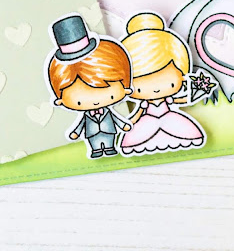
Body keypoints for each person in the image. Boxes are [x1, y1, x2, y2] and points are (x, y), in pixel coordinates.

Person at [119, 12, 206, 156]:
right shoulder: (144, 104)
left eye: (170, 83)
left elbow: (181, 100)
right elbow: (137, 114)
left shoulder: (169, 99)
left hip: (170, 117)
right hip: (148, 121)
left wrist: (197, 93)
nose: (156, 89)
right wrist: (129, 123)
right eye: (140, 86)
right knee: (140, 136)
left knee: (182, 131)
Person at [47, 15, 132, 159]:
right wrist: (75, 132)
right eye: (79, 101)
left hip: (110, 132)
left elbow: (117, 119)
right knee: (95, 144)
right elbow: (81, 124)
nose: (96, 101)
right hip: (92, 135)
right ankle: (96, 150)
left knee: (109, 142)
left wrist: (123, 125)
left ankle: (110, 147)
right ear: (60, 99)